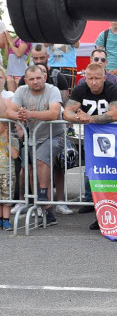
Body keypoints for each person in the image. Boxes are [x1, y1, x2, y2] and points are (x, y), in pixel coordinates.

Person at [63, 63, 117, 229]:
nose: (94, 82)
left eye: (98, 78)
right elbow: (67, 112)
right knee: (94, 173)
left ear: (104, 78)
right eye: (90, 78)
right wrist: (78, 118)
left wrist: (91, 118)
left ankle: (113, 212)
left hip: (112, 137)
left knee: (110, 175)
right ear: (85, 78)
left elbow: (116, 113)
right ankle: (100, 213)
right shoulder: (81, 89)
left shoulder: (113, 89)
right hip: (92, 138)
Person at [5, 65, 65, 226]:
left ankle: (43, 194)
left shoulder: (52, 90)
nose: (35, 81)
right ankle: (47, 210)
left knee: (40, 160)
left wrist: (29, 114)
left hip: (55, 135)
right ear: (26, 80)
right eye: (31, 79)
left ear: (44, 77)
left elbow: (54, 113)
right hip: (34, 137)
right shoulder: (21, 91)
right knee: (31, 170)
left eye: (38, 78)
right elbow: (9, 112)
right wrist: (19, 115)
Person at [0, 104, 19, 231]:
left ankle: (6, 220)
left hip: (7, 172)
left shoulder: (13, 140)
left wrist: (7, 141)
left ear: (5, 127)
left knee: (6, 198)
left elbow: (15, 155)